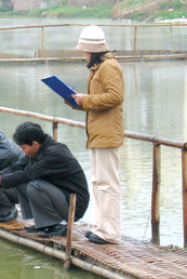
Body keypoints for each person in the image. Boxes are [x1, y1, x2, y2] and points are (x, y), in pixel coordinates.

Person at [0, 122, 90, 238]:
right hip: (60, 197)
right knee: (19, 180)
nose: (23, 152)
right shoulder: (36, 152)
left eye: (23, 148)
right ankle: (43, 224)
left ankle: (59, 224)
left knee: (34, 184)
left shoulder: (55, 153)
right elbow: (15, 168)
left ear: (35, 144)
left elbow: (28, 174)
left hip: (73, 206)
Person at [70, 25, 124, 245]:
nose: (82, 53)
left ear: (92, 50)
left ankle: (110, 232)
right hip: (97, 132)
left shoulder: (109, 67)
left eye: (84, 49)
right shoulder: (98, 67)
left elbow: (115, 96)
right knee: (99, 181)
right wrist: (76, 101)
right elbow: (98, 100)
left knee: (108, 183)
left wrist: (86, 99)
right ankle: (100, 227)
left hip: (106, 133)